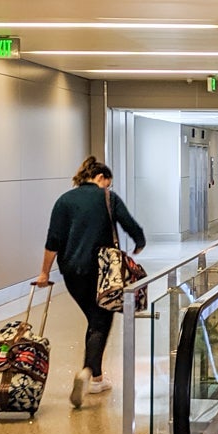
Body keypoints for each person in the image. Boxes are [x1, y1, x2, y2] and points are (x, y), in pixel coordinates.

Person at [36, 157, 146, 408]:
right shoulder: (107, 197)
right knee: (101, 319)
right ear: (100, 178)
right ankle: (89, 372)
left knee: (95, 317)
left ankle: (96, 376)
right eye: (108, 182)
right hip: (102, 269)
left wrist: (44, 273)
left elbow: (53, 240)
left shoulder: (63, 201)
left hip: (72, 271)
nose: (108, 187)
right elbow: (129, 224)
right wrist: (139, 242)